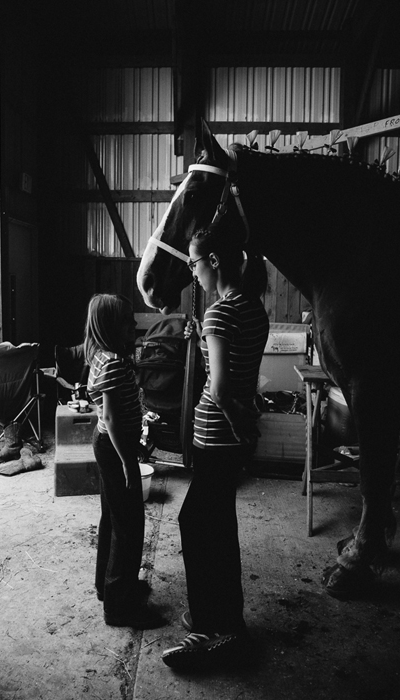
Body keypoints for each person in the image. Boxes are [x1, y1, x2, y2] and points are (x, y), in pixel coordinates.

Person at [160, 223, 269, 670]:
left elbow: (221, 389)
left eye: (194, 263)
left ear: (215, 262)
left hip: (218, 435)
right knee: (216, 523)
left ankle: (217, 628)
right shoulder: (252, 308)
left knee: (202, 525)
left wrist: (241, 424)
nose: (193, 272)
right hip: (231, 439)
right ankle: (221, 618)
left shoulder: (220, 314)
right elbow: (242, 376)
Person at [85, 293, 165, 629]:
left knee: (113, 516)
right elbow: (115, 421)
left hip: (107, 444)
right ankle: (120, 607)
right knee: (129, 526)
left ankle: (109, 586)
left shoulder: (103, 357)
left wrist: (139, 416)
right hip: (116, 447)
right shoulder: (115, 362)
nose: (134, 325)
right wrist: (129, 464)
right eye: (128, 321)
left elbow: (109, 410)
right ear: (111, 327)